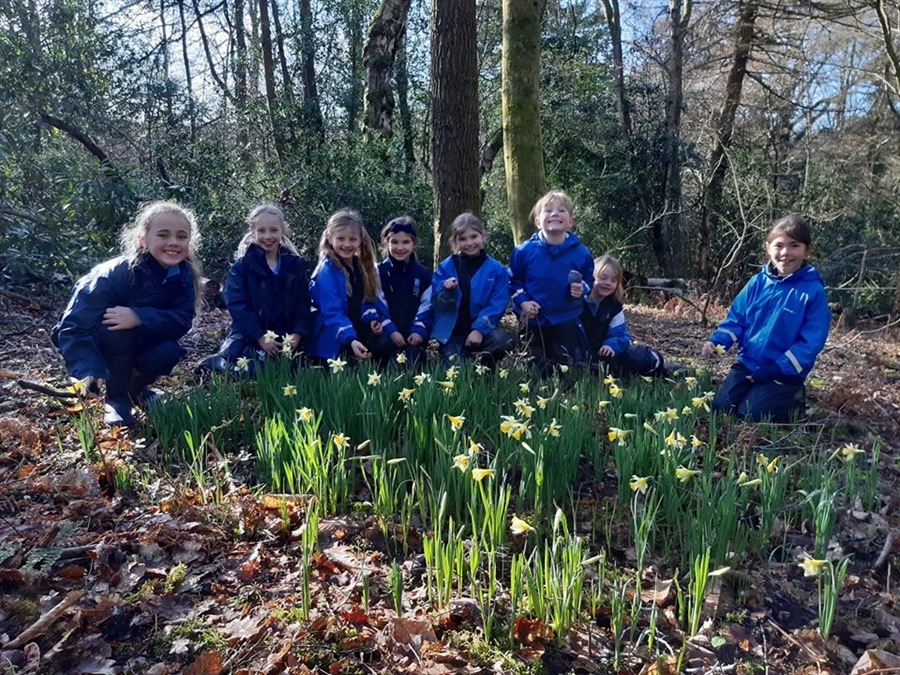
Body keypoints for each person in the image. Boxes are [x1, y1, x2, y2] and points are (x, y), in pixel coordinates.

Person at [52, 200, 201, 427]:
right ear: (143, 239)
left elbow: (181, 319)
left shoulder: (183, 275)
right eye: (163, 235)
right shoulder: (114, 274)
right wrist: (87, 368)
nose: (173, 242)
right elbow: (75, 325)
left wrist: (139, 316)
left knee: (168, 351)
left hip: (141, 342)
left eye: (181, 236)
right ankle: (117, 398)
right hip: (102, 342)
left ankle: (135, 389)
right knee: (116, 326)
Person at [702, 215, 831, 422]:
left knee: (751, 415)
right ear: (768, 248)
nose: (785, 253)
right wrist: (717, 342)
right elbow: (736, 319)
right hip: (748, 364)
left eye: (794, 246)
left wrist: (778, 369)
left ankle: (794, 399)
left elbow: (811, 344)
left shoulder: (813, 292)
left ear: (807, 250)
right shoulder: (757, 283)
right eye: (779, 245)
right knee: (721, 409)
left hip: (783, 372)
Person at [206, 204, 312, 375]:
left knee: (295, 372)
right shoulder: (242, 267)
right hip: (251, 336)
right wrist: (260, 337)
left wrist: (297, 334)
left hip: (285, 336)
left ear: (282, 231)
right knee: (252, 373)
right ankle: (217, 362)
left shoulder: (295, 265)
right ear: (253, 232)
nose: (268, 236)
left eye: (273, 230)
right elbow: (237, 305)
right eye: (261, 231)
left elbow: (303, 303)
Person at [509, 190, 595, 371]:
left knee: (570, 369)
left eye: (561, 210)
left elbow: (589, 280)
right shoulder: (523, 251)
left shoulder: (582, 253)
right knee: (534, 369)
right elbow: (514, 282)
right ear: (538, 222)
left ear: (571, 222)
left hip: (567, 318)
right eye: (547, 210)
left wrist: (582, 289)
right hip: (534, 321)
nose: (554, 213)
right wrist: (524, 302)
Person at [309, 209, 398, 363]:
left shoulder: (361, 266)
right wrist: (350, 339)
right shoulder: (326, 271)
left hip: (357, 330)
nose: (347, 244)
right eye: (341, 239)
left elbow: (368, 300)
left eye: (352, 239)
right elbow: (332, 312)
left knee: (384, 344)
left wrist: (373, 319)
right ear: (330, 238)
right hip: (334, 338)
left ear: (360, 240)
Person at [431, 213, 516, 364]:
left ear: (483, 236)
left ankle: (487, 370)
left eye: (474, 236)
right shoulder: (446, 268)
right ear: (455, 242)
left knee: (502, 340)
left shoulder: (496, 269)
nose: (469, 243)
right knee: (456, 375)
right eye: (462, 239)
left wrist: (479, 330)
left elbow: (498, 303)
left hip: (483, 331)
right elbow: (437, 304)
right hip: (453, 333)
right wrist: (446, 290)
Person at [582, 255, 668, 378]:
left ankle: (658, 364)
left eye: (613, 280)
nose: (608, 283)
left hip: (607, 353)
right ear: (591, 277)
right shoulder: (579, 302)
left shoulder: (614, 308)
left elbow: (620, 334)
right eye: (603, 278)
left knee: (636, 358)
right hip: (582, 354)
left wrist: (610, 345)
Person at [377, 216, 433, 364]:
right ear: (386, 243)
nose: (400, 248)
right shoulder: (378, 272)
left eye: (406, 242)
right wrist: (391, 331)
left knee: (413, 365)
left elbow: (428, 305)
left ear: (414, 243)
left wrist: (418, 331)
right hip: (386, 335)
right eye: (394, 242)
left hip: (413, 336)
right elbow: (376, 302)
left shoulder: (423, 274)